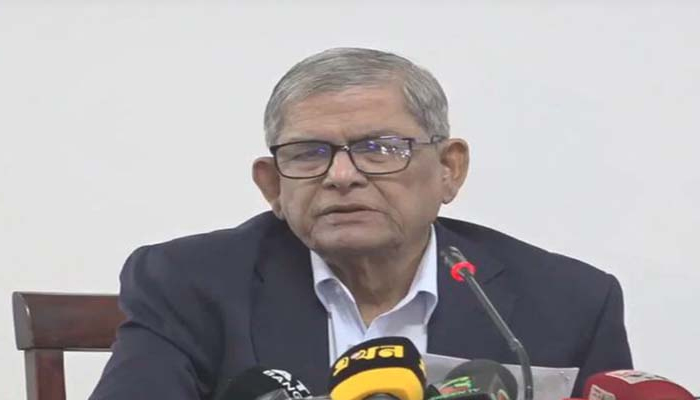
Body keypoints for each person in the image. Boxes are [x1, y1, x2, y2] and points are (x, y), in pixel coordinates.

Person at [89, 48, 632, 400]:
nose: (342, 176)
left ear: (449, 170)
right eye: (308, 153)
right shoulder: (187, 283)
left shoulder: (569, 302)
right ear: (272, 185)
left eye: (381, 148)